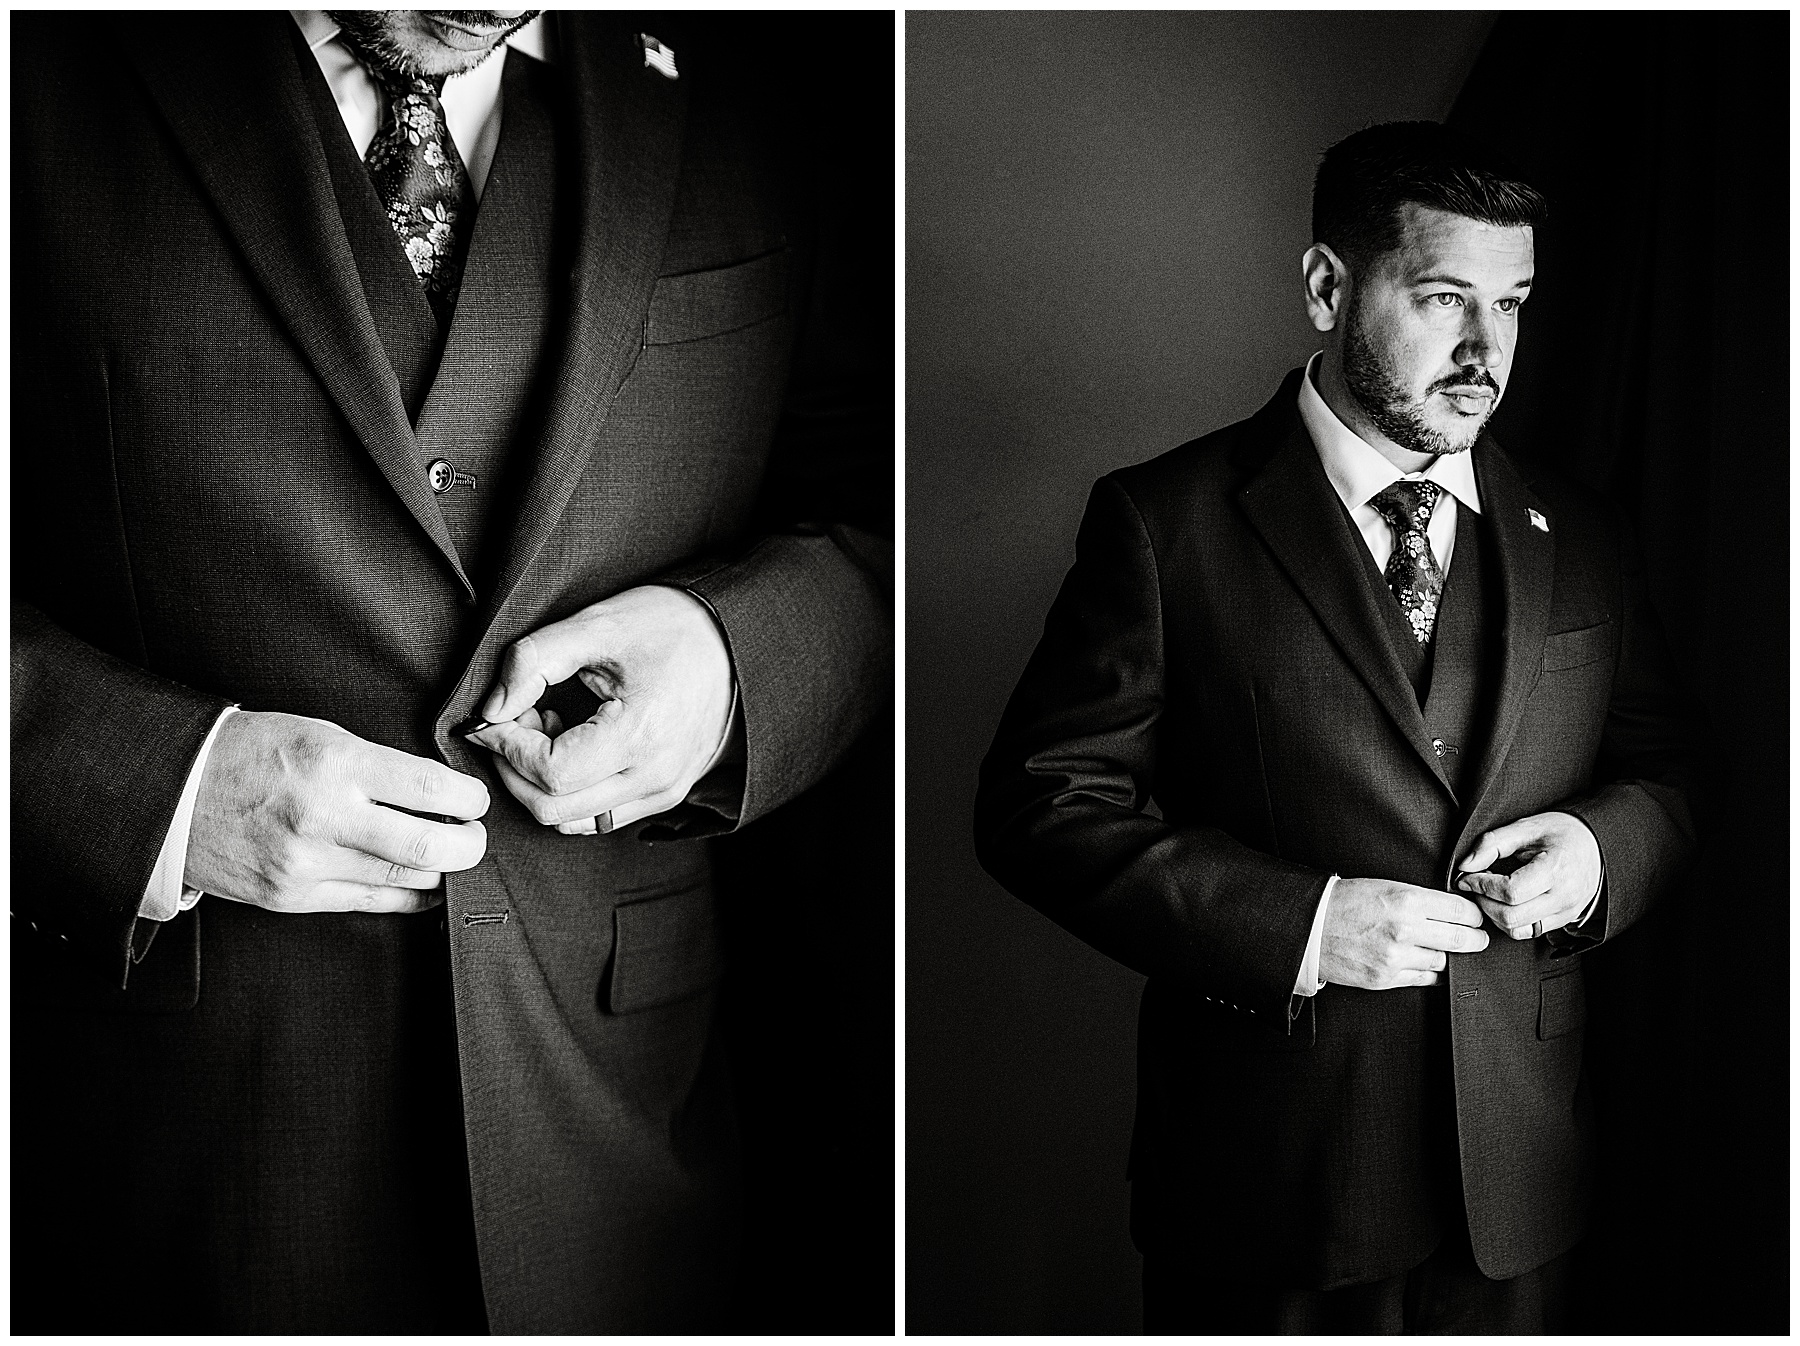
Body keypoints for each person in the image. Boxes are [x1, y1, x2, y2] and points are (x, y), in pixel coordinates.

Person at [13, 10, 890, 1333]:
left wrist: (732, 659)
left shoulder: (781, 67)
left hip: (632, 1169)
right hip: (154, 1167)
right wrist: (153, 786)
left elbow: (876, 509)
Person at [974, 120, 1695, 1333]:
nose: (1488, 350)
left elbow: (1676, 769)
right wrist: (1301, 924)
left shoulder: (1585, 534)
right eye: (1445, 298)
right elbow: (1040, 804)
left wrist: (1595, 852)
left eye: (1513, 303)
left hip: (1522, 1193)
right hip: (1269, 1192)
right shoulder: (1164, 523)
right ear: (1327, 287)